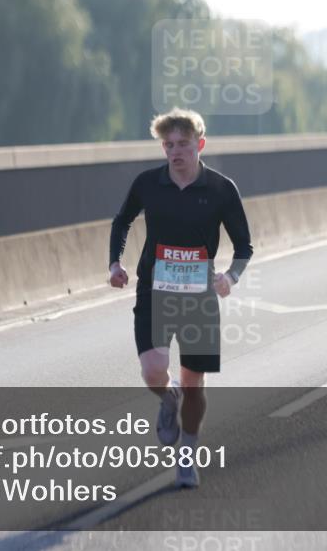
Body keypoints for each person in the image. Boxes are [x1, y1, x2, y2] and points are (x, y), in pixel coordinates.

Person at [108, 107, 253, 488]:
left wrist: (230, 277)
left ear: (199, 145)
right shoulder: (148, 184)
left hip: (198, 296)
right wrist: (115, 263)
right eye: (169, 145)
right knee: (153, 370)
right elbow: (122, 220)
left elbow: (244, 246)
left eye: (183, 144)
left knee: (194, 384)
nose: (175, 151)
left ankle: (186, 456)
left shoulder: (221, 189)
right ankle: (166, 397)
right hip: (154, 290)